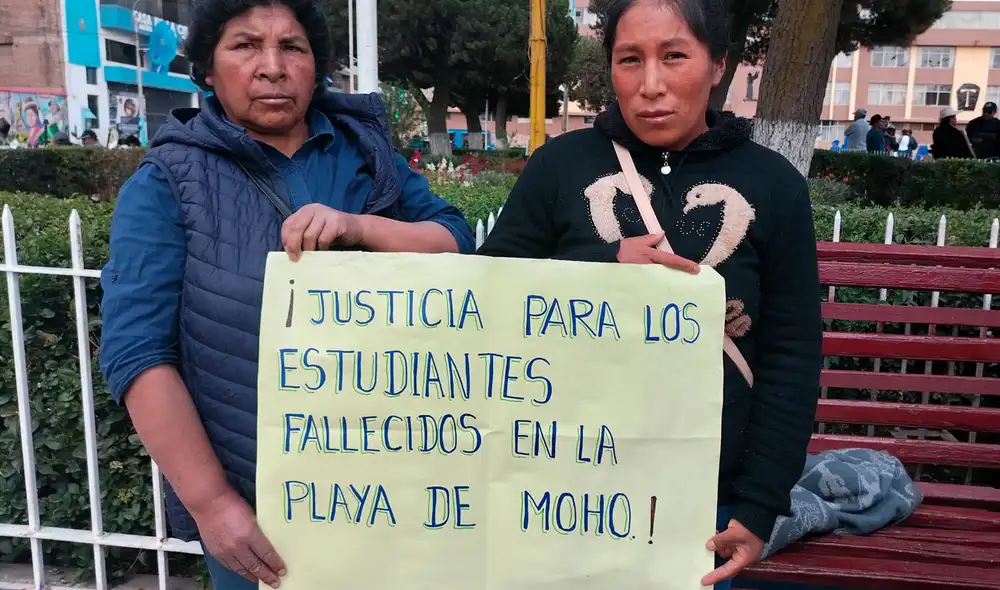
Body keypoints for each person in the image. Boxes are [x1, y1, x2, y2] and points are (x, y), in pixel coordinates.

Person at [98, 1, 475, 589]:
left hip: (398, 496)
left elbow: (454, 241)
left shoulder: (365, 153)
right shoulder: (168, 181)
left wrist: (360, 227)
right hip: (263, 519)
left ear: (316, 66)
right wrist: (212, 504)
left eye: (292, 47)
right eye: (245, 46)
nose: (272, 67)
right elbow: (138, 354)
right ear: (207, 67)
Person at [477, 0, 822, 588]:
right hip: (556, 488)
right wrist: (604, 267)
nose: (651, 85)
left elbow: (791, 355)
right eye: (629, 60)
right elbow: (486, 299)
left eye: (675, 56)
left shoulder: (774, 183)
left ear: (718, 65)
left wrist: (758, 503)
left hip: (704, 505)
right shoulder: (559, 165)